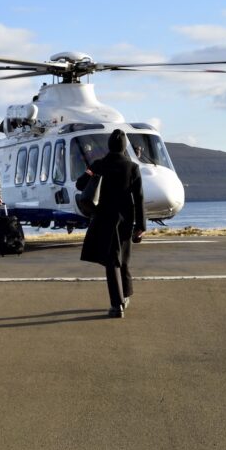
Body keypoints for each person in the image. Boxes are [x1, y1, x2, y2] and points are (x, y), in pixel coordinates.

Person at [77, 129, 145, 318]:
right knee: (123, 259)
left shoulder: (99, 164)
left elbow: (81, 185)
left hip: (104, 217)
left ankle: (117, 305)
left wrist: (90, 171)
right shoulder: (132, 167)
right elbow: (139, 198)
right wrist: (141, 226)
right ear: (124, 146)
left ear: (109, 145)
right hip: (125, 219)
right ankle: (126, 296)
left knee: (111, 261)